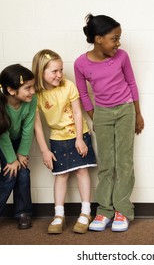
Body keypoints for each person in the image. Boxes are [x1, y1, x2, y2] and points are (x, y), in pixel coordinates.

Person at [74, 14, 144, 232]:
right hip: (102, 113)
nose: (118, 43)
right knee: (106, 164)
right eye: (114, 38)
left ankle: (122, 209)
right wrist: (96, 117)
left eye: (119, 38)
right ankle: (104, 210)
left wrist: (137, 114)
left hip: (125, 111)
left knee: (124, 162)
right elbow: (83, 95)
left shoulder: (122, 56)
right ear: (98, 39)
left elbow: (131, 83)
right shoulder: (80, 63)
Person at [32, 49, 97, 234]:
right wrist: (45, 150)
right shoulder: (36, 95)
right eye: (54, 71)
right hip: (57, 139)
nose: (59, 74)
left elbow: (78, 112)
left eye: (61, 70)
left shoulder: (68, 86)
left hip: (78, 135)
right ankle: (58, 215)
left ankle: (86, 212)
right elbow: (37, 125)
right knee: (61, 175)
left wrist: (79, 138)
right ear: (40, 72)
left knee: (82, 171)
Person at [0, 64, 37, 236]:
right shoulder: (0, 104)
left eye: (32, 86)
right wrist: (12, 160)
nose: (33, 91)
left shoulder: (31, 101)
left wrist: (22, 154)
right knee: (9, 174)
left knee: (23, 172)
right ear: (11, 90)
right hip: (2, 137)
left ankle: (23, 213)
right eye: (27, 88)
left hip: (20, 139)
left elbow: (28, 128)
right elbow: (3, 136)